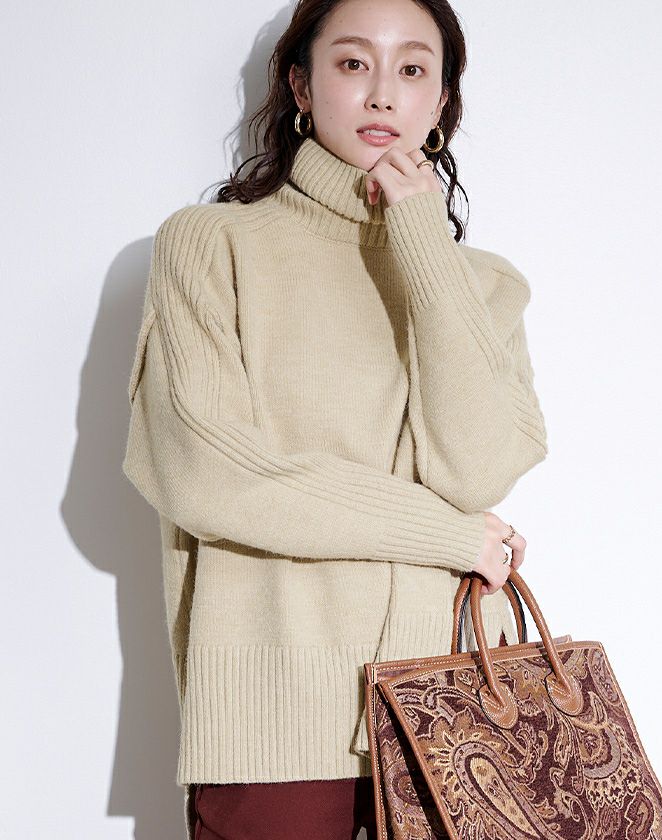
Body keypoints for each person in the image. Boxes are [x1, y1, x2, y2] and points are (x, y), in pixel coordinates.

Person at [122, 0, 548, 837]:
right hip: (275, 716)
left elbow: (477, 471)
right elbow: (209, 473)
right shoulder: (211, 246)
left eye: (413, 69)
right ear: (301, 85)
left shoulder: (485, 285)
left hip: (461, 712)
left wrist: (422, 236)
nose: (383, 93)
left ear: (442, 99)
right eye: (353, 63)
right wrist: (449, 536)